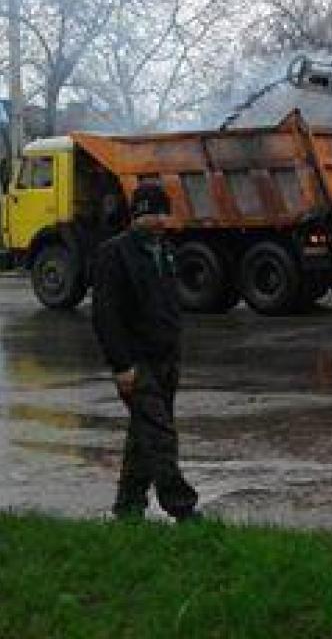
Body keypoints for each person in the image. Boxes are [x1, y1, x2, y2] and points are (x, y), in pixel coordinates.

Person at [92, 181, 200, 523]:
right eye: (154, 214)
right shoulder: (114, 253)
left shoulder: (165, 250)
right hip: (137, 363)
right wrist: (121, 366)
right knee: (160, 436)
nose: (161, 221)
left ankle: (127, 508)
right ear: (137, 215)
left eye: (164, 214)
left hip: (166, 358)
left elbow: (169, 303)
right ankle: (182, 507)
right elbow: (106, 315)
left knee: (143, 436)